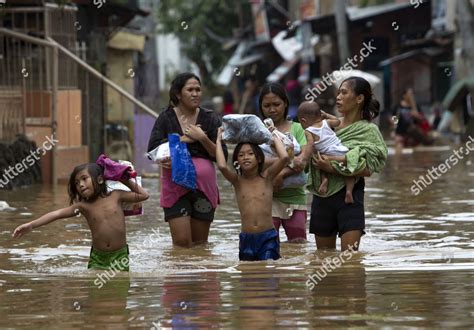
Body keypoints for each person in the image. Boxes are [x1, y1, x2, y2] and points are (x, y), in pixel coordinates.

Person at [12, 163, 149, 271]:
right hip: (98, 258)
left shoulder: (116, 196)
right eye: (77, 183)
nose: (81, 185)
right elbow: (57, 214)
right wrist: (31, 225)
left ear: (100, 179)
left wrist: (123, 178)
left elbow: (143, 195)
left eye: (84, 179)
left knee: (118, 292)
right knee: (97, 294)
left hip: (120, 256)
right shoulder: (84, 206)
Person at [147, 72, 227, 248]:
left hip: (204, 188)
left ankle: (198, 274)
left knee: (200, 244)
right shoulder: (166, 118)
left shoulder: (210, 118)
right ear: (178, 94)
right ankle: (180, 275)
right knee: (182, 243)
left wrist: (202, 138)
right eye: (190, 89)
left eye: (198, 90)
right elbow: (152, 151)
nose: (195, 93)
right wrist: (183, 140)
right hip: (175, 186)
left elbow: (222, 156)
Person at [308, 76, 387, 251]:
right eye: (338, 93)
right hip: (323, 196)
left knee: (350, 261)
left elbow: (369, 170)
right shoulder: (327, 127)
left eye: (344, 93)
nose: (338, 97)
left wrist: (332, 167)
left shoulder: (368, 130)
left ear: (359, 98)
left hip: (350, 199)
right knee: (323, 259)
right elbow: (309, 154)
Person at [216, 127, 290, 261]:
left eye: (250, 154)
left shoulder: (267, 178)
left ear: (259, 158)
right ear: (236, 161)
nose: (246, 157)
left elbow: (284, 157)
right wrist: (218, 140)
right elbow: (221, 166)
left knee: (269, 270)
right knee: (247, 277)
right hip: (246, 238)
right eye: (241, 155)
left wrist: (273, 135)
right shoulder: (237, 181)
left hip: (268, 236)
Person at [259, 82, 308, 243]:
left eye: (276, 104)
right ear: (261, 106)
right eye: (267, 105)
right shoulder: (257, 132)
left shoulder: (298, 129)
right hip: (266, 198)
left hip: (295, 197)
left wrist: (281, 174)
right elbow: (252, 161)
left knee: (298, 245)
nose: (272, 109)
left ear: (285, 103)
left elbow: (303, 161)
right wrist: (284, 161)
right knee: (268, 247)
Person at [296, 101, 355, 204]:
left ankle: (325, 179)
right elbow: (338, 122)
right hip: (341, 150)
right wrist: (327, 115)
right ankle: (349, 191)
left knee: (318, 162)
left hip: (327, 155)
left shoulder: (308, 131)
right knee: (349, 172)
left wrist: (304, 158)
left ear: (303, 121)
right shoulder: (326, 122)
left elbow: (310, 145)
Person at [392, 88, 433, 154]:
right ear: (404, 95)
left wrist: (416, 115)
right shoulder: (398, 106)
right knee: (399, 146)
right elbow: (394, 119)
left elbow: (422, 119)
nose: (411, 96)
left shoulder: (415, 106)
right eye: (409, 94)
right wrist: (395, 131)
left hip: (413, 131)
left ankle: (427, 140)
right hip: (401, 131)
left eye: (412, 94)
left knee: (413, 129)